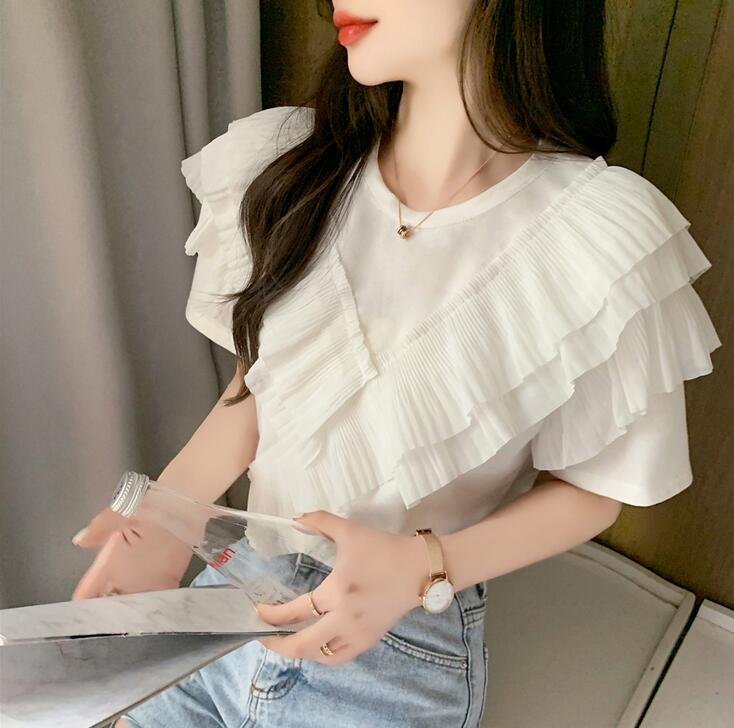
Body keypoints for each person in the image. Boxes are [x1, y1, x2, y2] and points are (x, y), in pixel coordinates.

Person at [71, 1, 722, 726]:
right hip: (230, 597)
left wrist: (424, 565)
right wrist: (168, 515)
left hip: (395, 652)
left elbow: (596, 489)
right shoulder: (294, 163)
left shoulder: (596, 233)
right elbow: (263, 387)